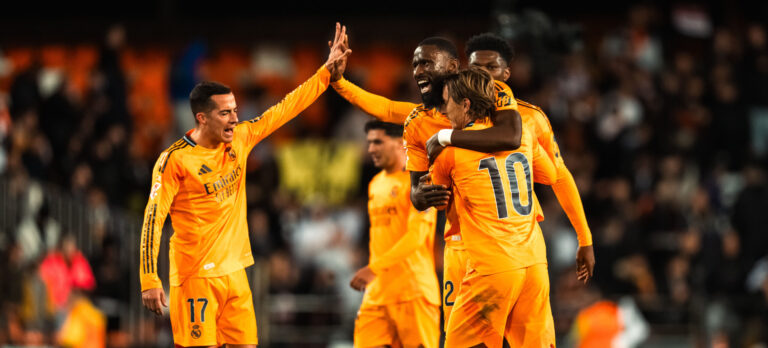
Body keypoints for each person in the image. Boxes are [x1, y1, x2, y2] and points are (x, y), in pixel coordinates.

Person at [138, 23, 351, 347]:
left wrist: (325, 74)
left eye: (236, 110)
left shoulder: (240, 138)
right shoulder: (174, 160)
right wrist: (149, 277)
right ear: (202, 118)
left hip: (236, 274)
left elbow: (283, 110)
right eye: (226, 113)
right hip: (196, 278)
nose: (235, 119)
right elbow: (153, 218)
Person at [330, 36, 522, 326]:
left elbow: (514, 138)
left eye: (426, 62)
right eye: (415, 64)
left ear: (454, 66)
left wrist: (446, 137)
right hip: (462, 245)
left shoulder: (491, 95)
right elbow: (385, 110)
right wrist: (339, 82)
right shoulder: (418, 121)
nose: (418, 70)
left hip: (512, 237)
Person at [431, 67, 558, 347]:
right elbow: (551, 175)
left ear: (465, 104)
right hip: (535, 262)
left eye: (446, 102)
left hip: (493, 269)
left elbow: (435, 199)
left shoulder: (450, 152)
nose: (443, 110)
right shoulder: (522, 135)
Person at [463, 33, 595, 282]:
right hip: (473, 250)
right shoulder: (451, 118)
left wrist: (585, 238)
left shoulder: (532, 118)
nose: (483, 75)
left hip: (524, 246)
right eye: (476, 68)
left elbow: (559, 176)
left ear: (506, 74)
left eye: (491, 67)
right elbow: (397, 112)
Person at [349, 120, 440, 348]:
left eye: (378, 142)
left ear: (400, 143)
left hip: (413, 293)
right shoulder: (374, 184)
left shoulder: (420, 183)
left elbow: (416, 237)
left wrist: (374, 269)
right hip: (377, 294)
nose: (371, 149)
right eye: (369, 143)